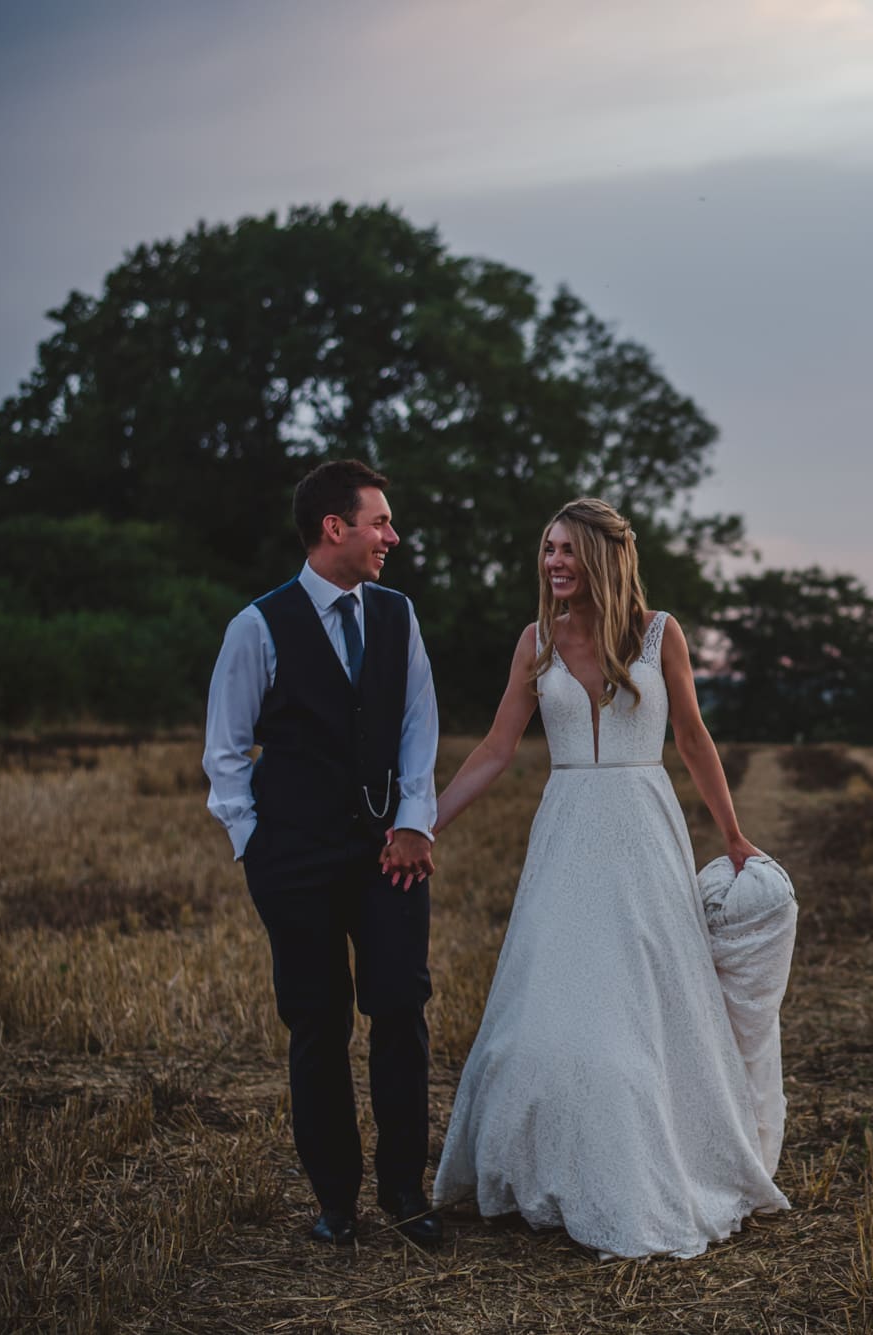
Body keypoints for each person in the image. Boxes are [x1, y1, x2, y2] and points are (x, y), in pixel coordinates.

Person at [418, 497, 790, 1258]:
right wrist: (421, 822)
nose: (553, 562)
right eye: (547, 548)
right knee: (549, 1002)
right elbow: (495, 749)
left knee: (643, 1002)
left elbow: (691, 737)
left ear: (603, 557)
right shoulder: (535, 640)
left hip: (642, 828)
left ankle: (651, 1165)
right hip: (566, 831)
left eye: (567, 550)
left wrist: (732, 832)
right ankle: (544, 1166)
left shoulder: (660, 634)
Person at [202, 459, 443, 1248]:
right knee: (317, 1021)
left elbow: (418, 728)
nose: (392, 537)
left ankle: (407, 1190)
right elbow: (227, 752)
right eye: (380, 521)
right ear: (333, 528)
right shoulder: (256, 626)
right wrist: (256, 846)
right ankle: (335, 1200)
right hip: (294, 860)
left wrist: (414, 823)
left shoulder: (399, 615)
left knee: (401, 1010)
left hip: (389, 855)